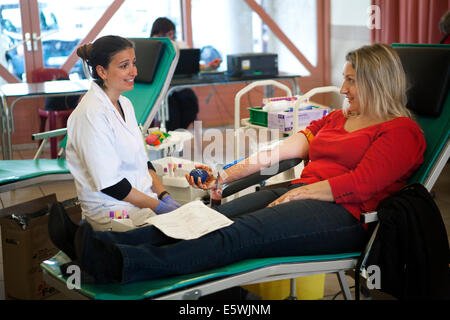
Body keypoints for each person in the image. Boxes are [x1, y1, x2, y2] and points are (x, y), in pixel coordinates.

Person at [51, 43, 425, 285]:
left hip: (344, 215)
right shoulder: (337, 119)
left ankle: (121, 265)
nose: (342, 89)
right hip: (300, 194)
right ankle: (96, 245)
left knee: (235, 235)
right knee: (209, 219)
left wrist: (302, 194)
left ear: (378, 83)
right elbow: (278, 153)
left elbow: (360, 184)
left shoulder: (402, 132)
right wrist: (225, 174)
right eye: (343, 80)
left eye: (351, 81)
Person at [62, 35, 180, 234]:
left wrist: (164, 195)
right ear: (102, 71)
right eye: (124, 66)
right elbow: (112, 186)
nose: (134, 71)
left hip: (142, 202)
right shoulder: (91, 115)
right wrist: (157, 206)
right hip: (111, 212)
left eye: (133, 63)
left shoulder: (125, 104)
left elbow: (143, 163)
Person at [150, 17, 199, 131]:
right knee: (171, 112)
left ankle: (178, 135)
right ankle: (173, 139)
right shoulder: (151, 47)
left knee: (190, 104)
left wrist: (209, 66)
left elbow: (191, 65)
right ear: (156, 34)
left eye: (171, 33)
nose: (169, 37)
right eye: (165, 34)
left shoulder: (180, 45)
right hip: (163, 91)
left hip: (180, 88)